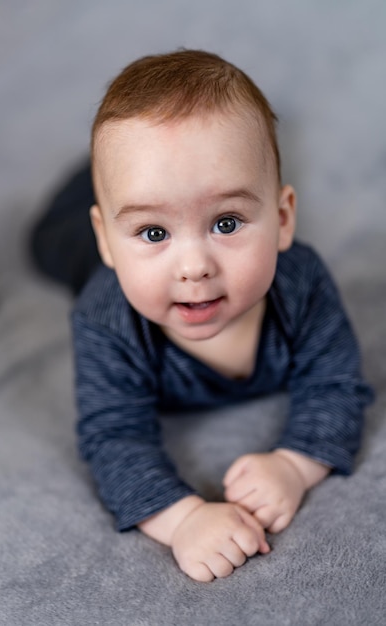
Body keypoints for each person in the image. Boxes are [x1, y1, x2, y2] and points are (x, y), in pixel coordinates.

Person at [31, 49, 373, 582]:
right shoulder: (105, 317)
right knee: (47, 243)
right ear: (109, 239)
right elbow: (114, 436)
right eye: (154, 232)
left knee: (165, 187)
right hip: (80, 255)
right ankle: (91, 185)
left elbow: (338, 385)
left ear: (283, 219)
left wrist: (294, 464)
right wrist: (183, 518)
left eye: (228, 222)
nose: (194, 267)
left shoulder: (300, 282)